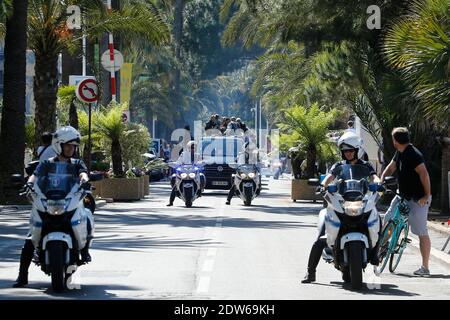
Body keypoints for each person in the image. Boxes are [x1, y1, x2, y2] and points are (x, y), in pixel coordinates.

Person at [13, 126, 93, 288]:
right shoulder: (46, 164)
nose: (71, 149)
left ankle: (84, 249)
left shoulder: (77, 163)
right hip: (48, 201)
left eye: (74, 146)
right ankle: (22, 276)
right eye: (68, 145)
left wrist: (85, 181)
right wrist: (28, 184)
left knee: (86, 217)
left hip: (68, 200)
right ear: (59, 145)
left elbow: (82, 173)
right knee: (30, 238)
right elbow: (35, 175)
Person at [301, 131, 380, 284]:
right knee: (320, 238)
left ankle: (375, 253)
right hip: (341, 203)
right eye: (345, 151)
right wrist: (323, 186)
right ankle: (310, 273)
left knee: (377, 220)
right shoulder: (338, 166)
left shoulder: (366, 166)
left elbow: (374, 176)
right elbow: (329, 178)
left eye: (351, 150)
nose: (348, 154)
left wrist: (378, 183)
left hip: (360, 201)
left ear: (358, 150)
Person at [381, 127, 432, 276]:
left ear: (395, 141)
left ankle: (425, 267)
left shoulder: (414, 155)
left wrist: (426, 196)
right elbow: (390, 167)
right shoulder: (400, 152)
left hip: (417, 199)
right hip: (402, 195)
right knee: (389, 218)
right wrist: (381, 181)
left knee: (422, 232)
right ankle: (382, 249)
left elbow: (424, 174)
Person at [167, 140, 206, 206]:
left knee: (201, 176)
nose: (193, 149)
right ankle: (171, 202)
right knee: (176, 183)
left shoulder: (198, 155)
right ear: (188, 147)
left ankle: (200, 189)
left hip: (193, 171)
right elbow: (178, 162)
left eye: (194, 147)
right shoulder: (183, 154)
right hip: (184, 171)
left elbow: (200, 162)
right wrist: (172, 164)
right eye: (191, 147)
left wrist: (202, 163)